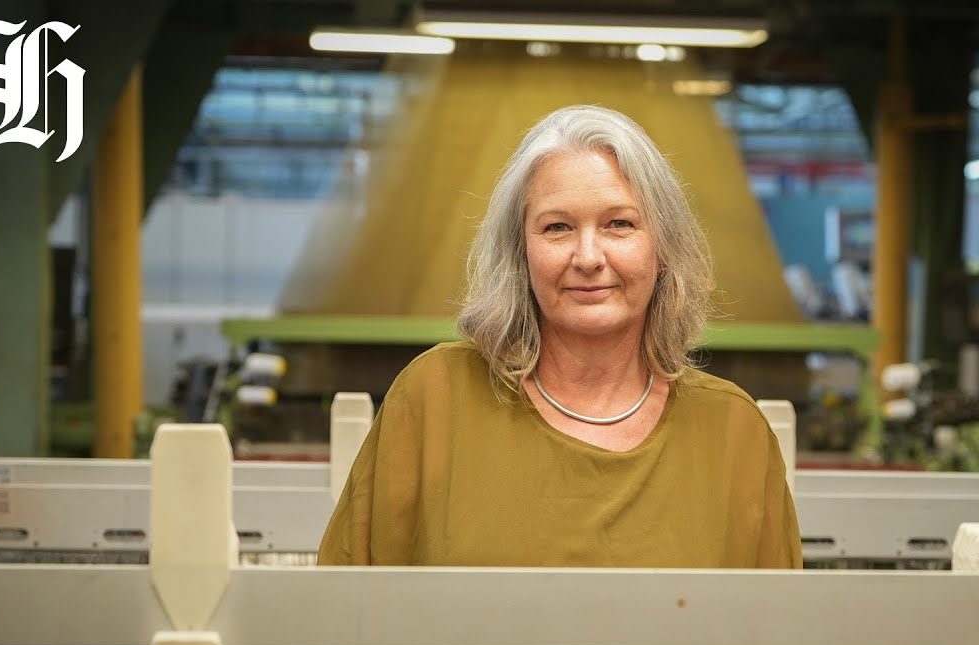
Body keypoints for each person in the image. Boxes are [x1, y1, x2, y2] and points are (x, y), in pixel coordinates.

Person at [317, 105, 801, 569]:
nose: (588, 257)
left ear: (664, 248)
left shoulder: (736, 433)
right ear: (520, 253)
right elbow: (342, 619)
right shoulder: (433, 401)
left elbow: (780, 642)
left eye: (619, 224)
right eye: (557, 227)